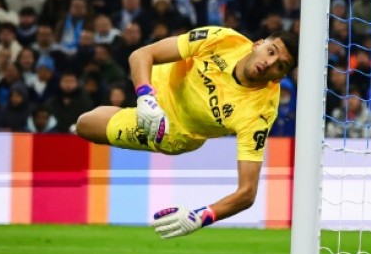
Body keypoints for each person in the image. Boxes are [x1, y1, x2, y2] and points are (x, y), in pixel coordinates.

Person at [75, 25, 299, 239]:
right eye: (270, 51)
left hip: (172, 131)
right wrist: (145, 95)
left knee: (84, 125)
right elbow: (141, 54)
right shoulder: (223, 39)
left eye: (279, 66)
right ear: (257, 44)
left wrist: (200, 217)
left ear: (278, 78)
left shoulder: (259, 113)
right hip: (156, 82)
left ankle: (128, 114)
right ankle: (137, 103)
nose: (269, 62)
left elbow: (247, 192)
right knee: (131, 79)